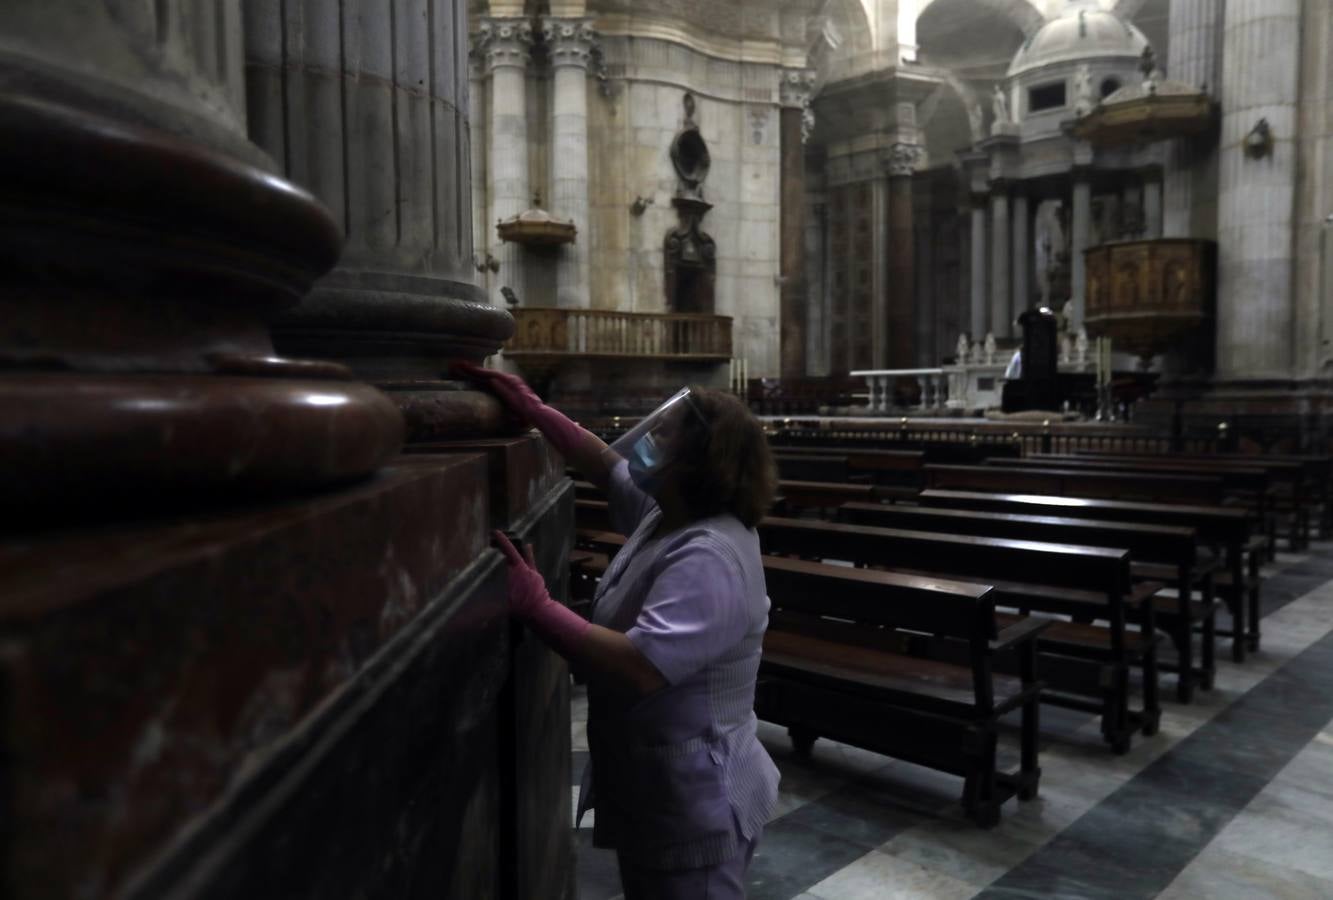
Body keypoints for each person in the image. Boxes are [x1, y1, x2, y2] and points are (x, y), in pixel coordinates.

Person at [456, 363, 780, 900]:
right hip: (657, 784)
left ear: (695, 462)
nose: (647, 442)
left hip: (697, 796)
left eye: (662, 435)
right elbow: (605, 464)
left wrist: (536, 605)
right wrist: (537, 413)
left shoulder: (711, 554)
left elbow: (640, 667)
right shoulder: (668, 512)